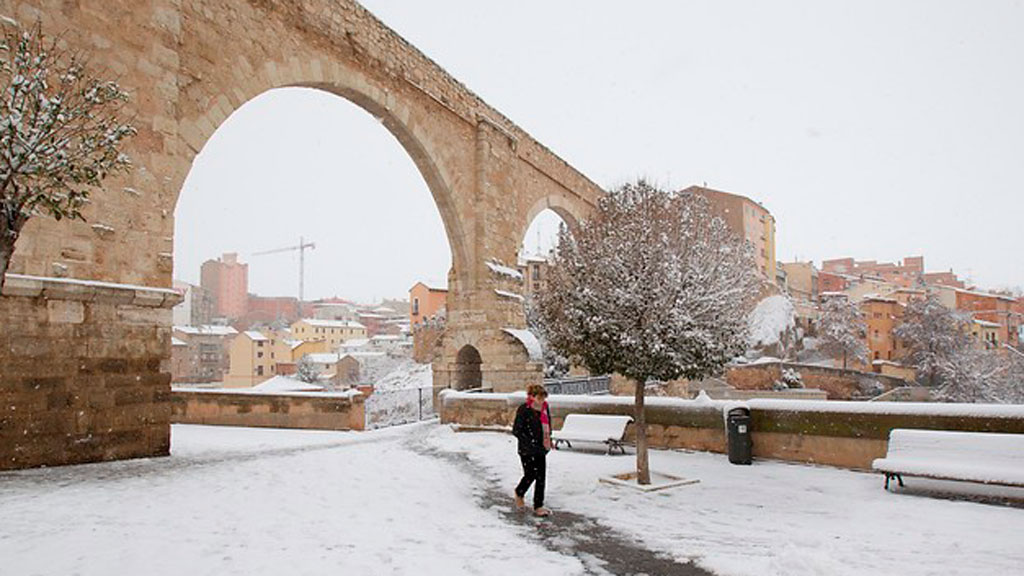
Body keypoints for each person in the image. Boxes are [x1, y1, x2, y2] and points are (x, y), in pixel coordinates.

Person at [512, 383, 552, 517]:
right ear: (532, 397)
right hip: (527, 449)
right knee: (530, 474)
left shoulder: (545, 409)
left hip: (541, 448)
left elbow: (548, 426)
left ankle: (538, 505)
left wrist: (548, 439)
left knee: (541, 477)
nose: (541, 401)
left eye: (543, 398)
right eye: (539, 398)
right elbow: (517, 430)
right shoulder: (524, 409)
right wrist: (529, 442)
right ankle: (519, 492)